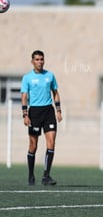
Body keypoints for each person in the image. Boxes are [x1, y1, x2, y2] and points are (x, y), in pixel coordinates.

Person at [20, 50, 62, 186]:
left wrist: (58, 110)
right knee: (33, 145)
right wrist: (25, 115)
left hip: (48, 111)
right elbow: (24, 97)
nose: (40, 62)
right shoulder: (27, 78)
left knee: (51, 142)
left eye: (41, 59)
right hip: (34, 113)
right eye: (37, 59)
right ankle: (31, 174)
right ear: (32, 61)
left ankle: (46, 176)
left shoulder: (50, 76)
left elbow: (55, 93)